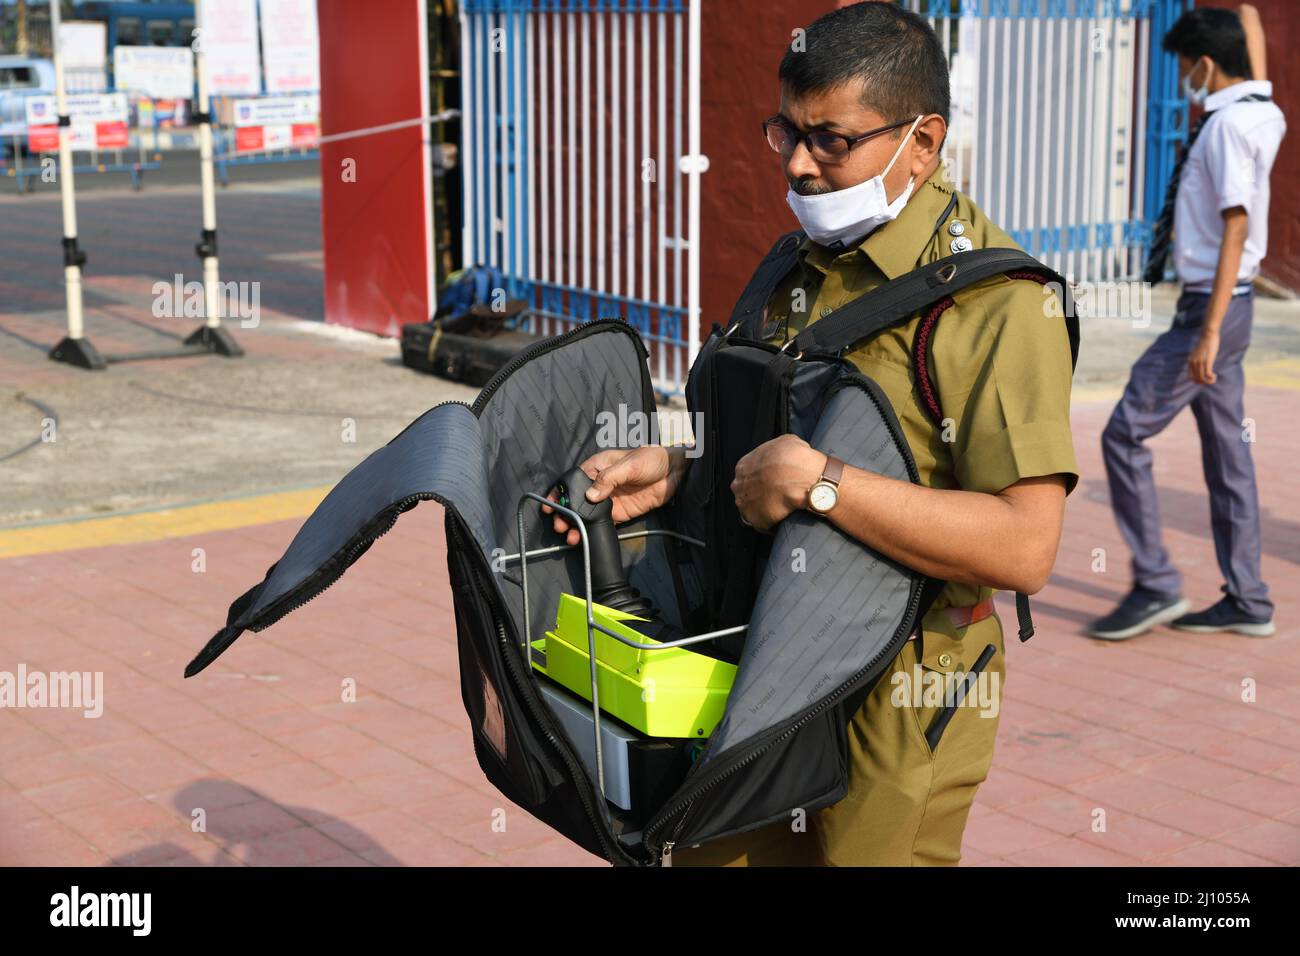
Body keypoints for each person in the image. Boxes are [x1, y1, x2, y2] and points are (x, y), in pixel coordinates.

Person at [546, 3, 1078, 865]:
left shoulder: (996, 306)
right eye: (785, 132)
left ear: (923, 139)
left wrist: (827, 484)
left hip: (898, 690)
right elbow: (775, 431)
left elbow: (1026, 548)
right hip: (757, 648)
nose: (798, 165)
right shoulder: (801, 263)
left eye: (831, 140)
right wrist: (682, 466)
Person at [1088, 6, 1285, 641]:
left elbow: (1236, 225)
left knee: (1123, 434)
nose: (1181, 80)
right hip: (1236, 304)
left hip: (1211, 308)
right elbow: (1249, 27)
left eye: (1183, 66)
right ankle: (1248, 599)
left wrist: (1207, 332)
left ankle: (1155, 584)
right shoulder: (1263, 109)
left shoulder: (1228, 128)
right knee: (1230, 455)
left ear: (1205, 65)